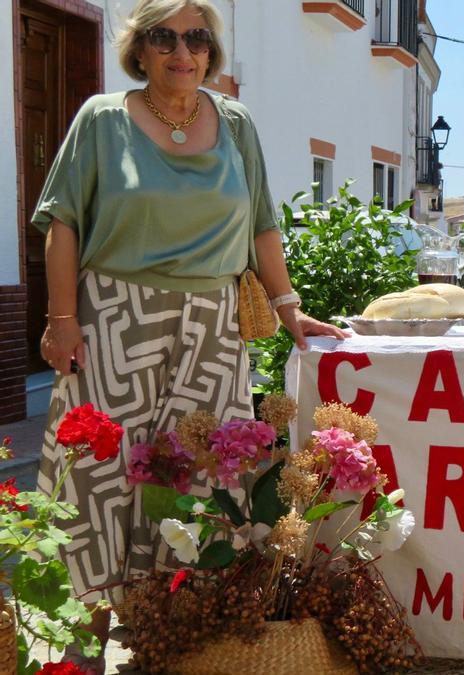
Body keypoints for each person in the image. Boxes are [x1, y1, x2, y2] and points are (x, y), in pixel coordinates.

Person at [32, 0, 346, 668]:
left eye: (198, 38)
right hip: (113, 315)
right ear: (139, 49)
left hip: (211, 324)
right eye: (165, 37)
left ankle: (179, 638)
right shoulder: (103, 119)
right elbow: (64, 223)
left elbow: (262, 225)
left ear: (212, 50)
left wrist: (289, 309)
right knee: (98, 476)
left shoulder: (235, 124)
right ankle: (81, 643)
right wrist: (61, 320)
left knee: (201, 479)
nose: (184, 51)